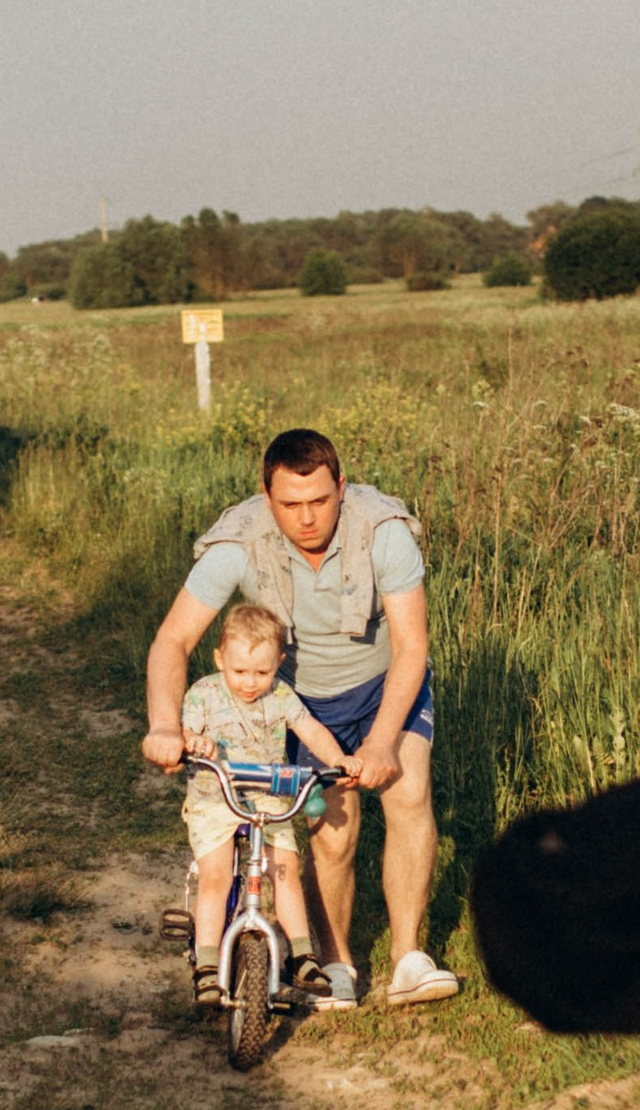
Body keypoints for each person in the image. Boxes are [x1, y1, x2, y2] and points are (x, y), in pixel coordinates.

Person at [142, 426, 459, 1005]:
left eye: (320, 500)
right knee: (331, 834)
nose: (307, 517)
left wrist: (385, 741)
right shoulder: (239, 542)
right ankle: (336, 966)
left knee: (408, 794)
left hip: (387, 684)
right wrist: (165, 724)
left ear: (342, 486)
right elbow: (172, 640)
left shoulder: (384, 533)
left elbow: (413, 646)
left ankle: (410, 956)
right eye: (290, 504)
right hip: (302, 702)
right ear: (268, 498)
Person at [176, 599, 354, 1005]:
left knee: (286, 868)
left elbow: (309, 727)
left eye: (263, 671)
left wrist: (337, 759)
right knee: (216, 875)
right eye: (240, 671)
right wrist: (193, 742)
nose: (251, 682)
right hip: (214, 798)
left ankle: (303, 955)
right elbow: (184, 733)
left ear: (279, 662)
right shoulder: (204, 694)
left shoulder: (281, 695)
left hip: (268, 800)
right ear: (220, 659)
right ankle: (206, 965)